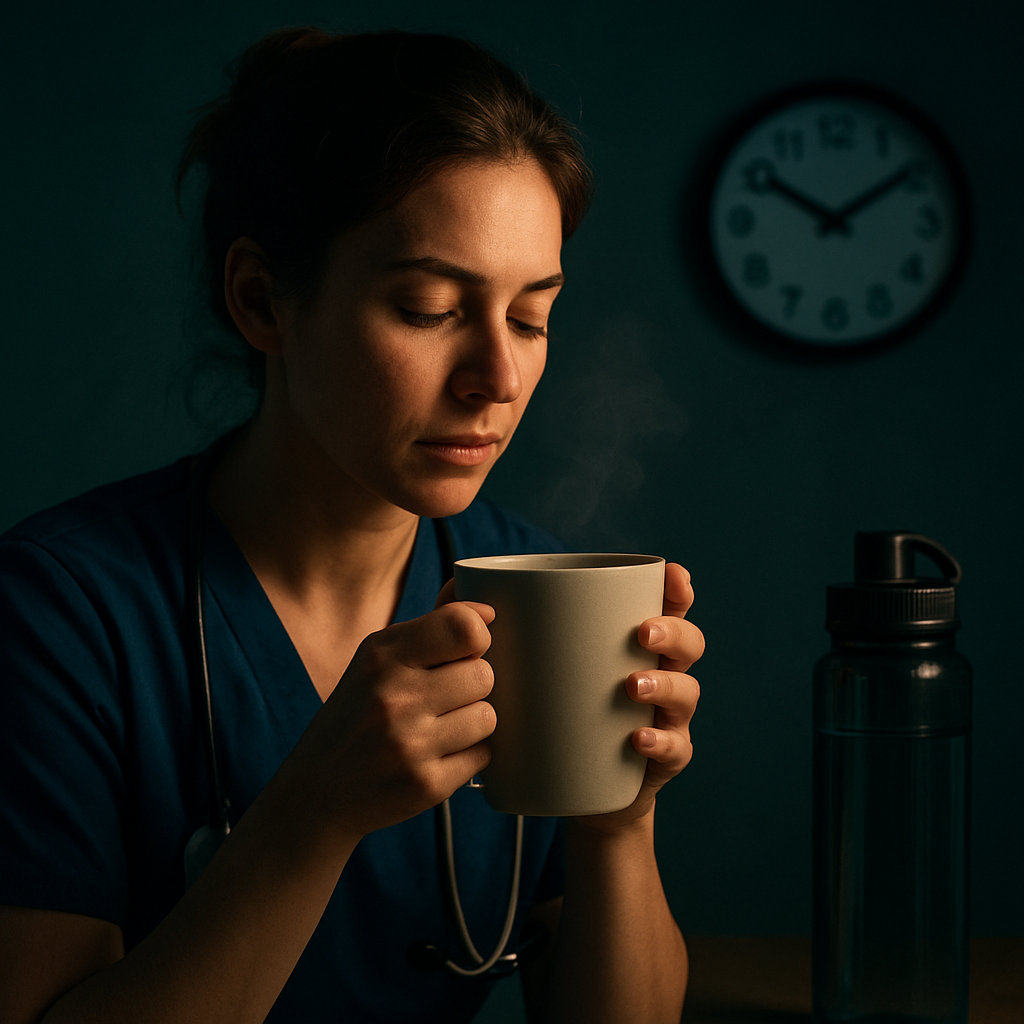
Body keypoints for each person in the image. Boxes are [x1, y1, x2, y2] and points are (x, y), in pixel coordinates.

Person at [0, 27, 703, 1024]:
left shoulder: (528, 594)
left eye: (531, 316)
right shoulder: (63, 612)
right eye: (427, 307)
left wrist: (619, 826)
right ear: (261, 301)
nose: (496, 380)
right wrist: (309, 817)